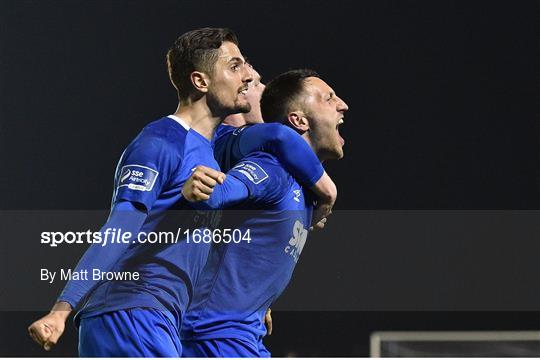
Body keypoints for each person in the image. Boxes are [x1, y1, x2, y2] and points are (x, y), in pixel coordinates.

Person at [27, 28, 334, 356]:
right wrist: (62, 309)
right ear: (201, 82)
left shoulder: (212, 150)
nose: (248, 76)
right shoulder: (161, 142)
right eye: (235, 67)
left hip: (158, 318)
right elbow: (119, 229)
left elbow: (276, 136)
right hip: (130, 314)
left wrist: (257, 300)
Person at [180, 69, 348, 357]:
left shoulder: (306, 191)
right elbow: (222, 193)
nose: (342, 104)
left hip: (244, 336)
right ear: (299, 120)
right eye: (329, 98)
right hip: (214, 337)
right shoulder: (273, 168)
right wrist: (203, 190)